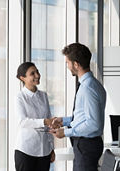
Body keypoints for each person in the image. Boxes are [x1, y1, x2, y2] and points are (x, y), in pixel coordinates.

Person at [50, 43, 106, 171]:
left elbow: (93, 124)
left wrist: (66, 132)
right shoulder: (93, 84)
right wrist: (63, 120)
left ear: (76, 64)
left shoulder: (87, 88)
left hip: (86, 145)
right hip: (87, 145)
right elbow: (85, 116)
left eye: (67, 63)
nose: (67, 66)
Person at [15, 62, 55, 171]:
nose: (37, 75)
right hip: (26, 151)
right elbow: (23, 122)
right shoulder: (20, 97)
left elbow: (49, 122)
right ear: (22, 78)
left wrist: (51, 147)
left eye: (37, 71)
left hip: (44, 151)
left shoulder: (44, 95)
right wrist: (44, 122)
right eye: (32, 73)